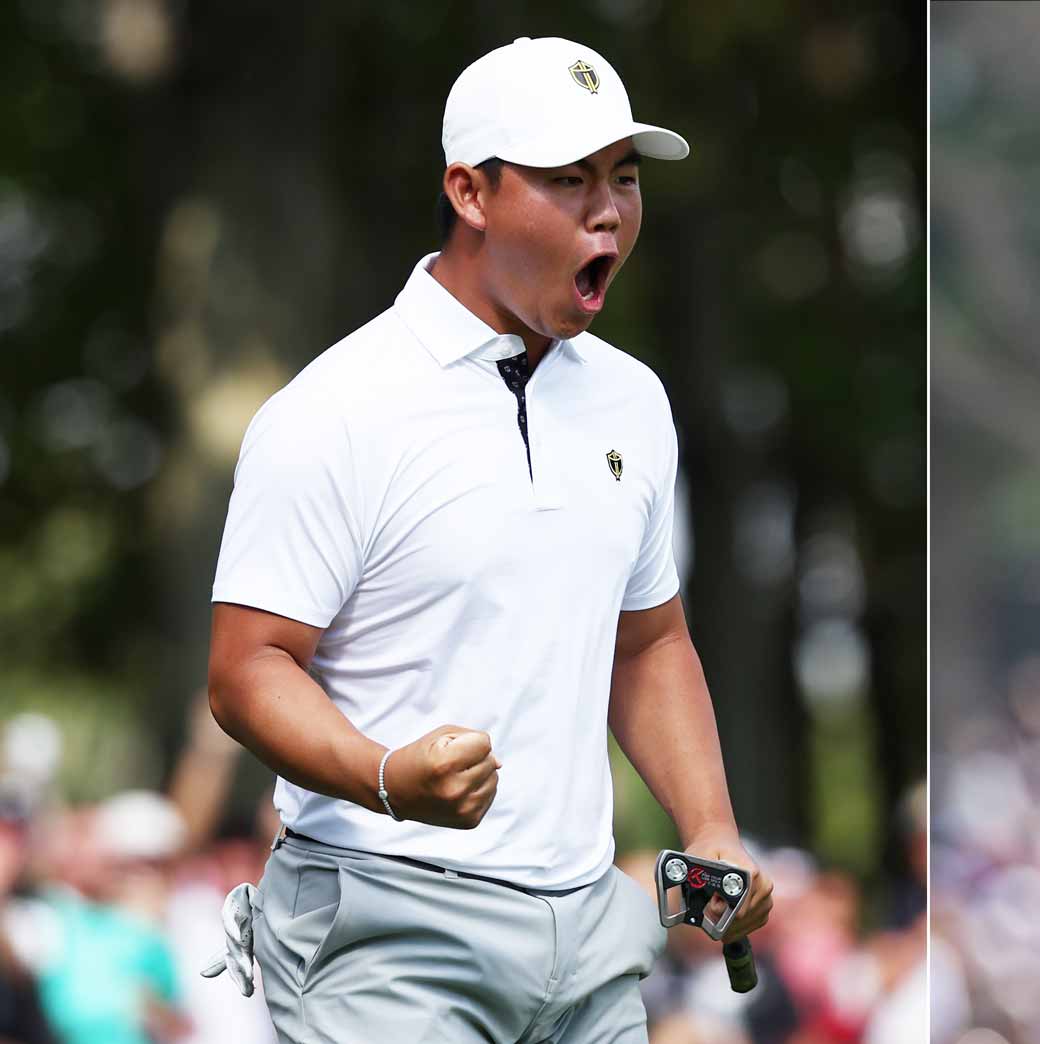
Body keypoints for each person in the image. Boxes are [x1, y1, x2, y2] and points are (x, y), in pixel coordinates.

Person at [201, 36, 772, 1042]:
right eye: (567, 180)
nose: (608, 210)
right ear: (470, 192)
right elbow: (247, 668)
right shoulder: (335, 410)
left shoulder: (632, 402)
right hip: (384, 928)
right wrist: (385, 774)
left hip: (589, 936)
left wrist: (710, 828)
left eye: (624, 180)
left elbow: (648, 643)